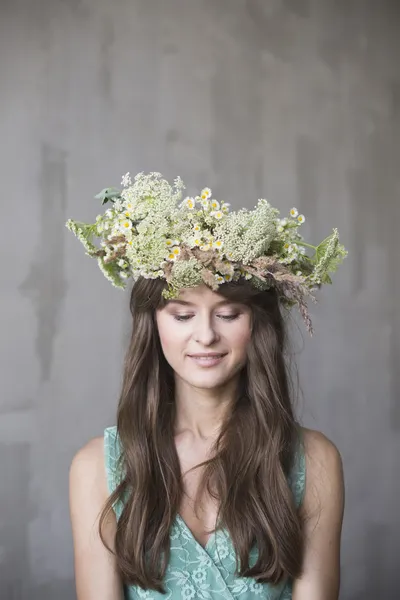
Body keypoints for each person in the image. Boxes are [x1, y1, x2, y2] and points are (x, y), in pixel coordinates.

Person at [67, 172, 346, 599]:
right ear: (153, 324)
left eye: (229, 314)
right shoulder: (97, 468)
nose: (205, 336)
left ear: (258, 325)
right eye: (182, 316)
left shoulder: (314, 461)